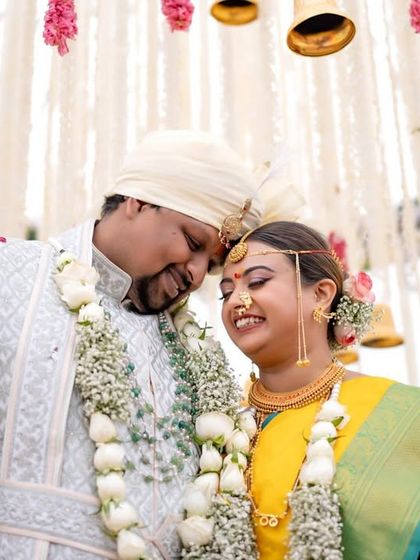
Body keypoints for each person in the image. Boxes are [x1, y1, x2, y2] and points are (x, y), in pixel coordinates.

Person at [0, 129, 266, 560]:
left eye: (211, 265)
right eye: (194, 243)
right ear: (138, 202)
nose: (197, 275)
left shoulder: (197, 356)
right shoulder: (12, 275)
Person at [219, 220, 420, 560]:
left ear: (322, 293)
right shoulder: (219, 427)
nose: (237, 300)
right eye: (225, 292)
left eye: (258, 281)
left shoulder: (405, 413)